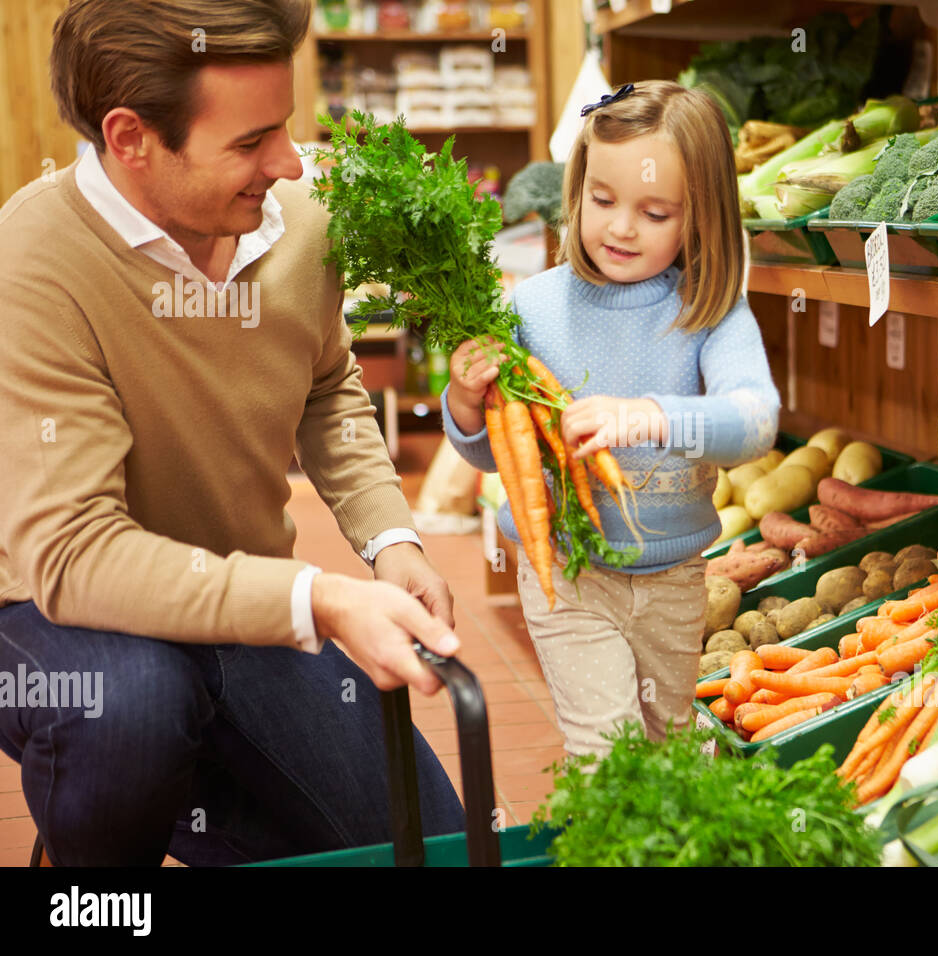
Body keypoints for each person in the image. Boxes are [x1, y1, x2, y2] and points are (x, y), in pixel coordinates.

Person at [0, 0, 467, 866]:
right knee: (131, 706)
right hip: (46, 609)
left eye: (284, 126)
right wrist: (320, 600)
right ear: (131, 136)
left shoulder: (300, 215)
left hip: (236, 595)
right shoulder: (35, 259)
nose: (290, 162)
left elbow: (326, 384)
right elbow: (73, 557)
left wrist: (391, 540)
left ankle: (186, 789)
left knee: (426, 846)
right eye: (251, 142)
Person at [443, 79, 781, 760]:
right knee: (608, 754)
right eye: (602, 201)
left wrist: (649, 417)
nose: (621, 227)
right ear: (577, 191)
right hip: (567, 576)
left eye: (656, 213)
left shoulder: (708, 312)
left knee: (668, 750)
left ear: (700, 218)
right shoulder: (531, 309)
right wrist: (463, 402)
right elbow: (494, 457)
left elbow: (755, 423)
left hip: (676, 582)